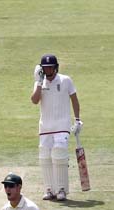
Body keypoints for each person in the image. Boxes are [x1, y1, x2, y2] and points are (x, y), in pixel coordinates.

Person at [30, 54, 82, 201]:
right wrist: (39, 83)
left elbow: (75, 100)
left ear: (55, 67)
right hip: (45, 127)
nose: (47, 70)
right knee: (45, 157)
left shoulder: (66, 80)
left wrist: (77, 120)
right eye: (45, 68)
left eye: (50, 67)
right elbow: (34, 100)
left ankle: (61, 190)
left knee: (59, 155)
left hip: (62, 125)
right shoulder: (39, 82)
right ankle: (49, 189)